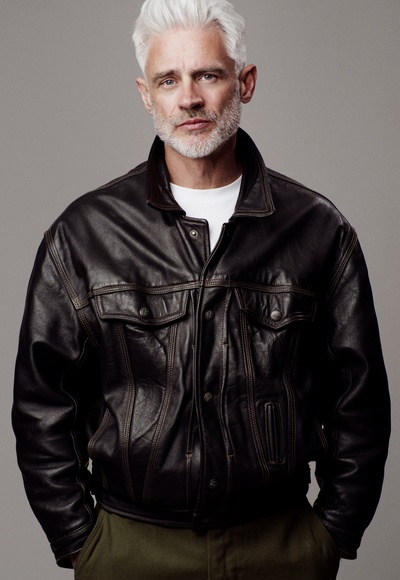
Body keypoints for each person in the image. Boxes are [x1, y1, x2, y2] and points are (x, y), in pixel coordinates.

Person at [12, 0, 390, 578]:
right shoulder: (84, 235)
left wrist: (332, 533)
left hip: (281, 546)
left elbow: (360, 400)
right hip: (130, 549)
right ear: (146, 95)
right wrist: (78, 540)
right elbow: (40, 402)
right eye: (168, 80)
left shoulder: (318, 230)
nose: (188, 98)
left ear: (246, 82)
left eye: (207, 75)